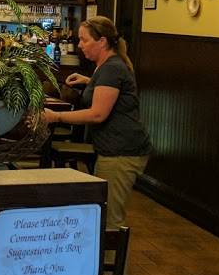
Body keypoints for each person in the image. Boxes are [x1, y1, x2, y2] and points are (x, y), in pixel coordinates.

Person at [42, 15, 151, 228]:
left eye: (84, 40)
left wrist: (56, 116)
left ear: (102, 42)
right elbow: (110, 90)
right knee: (102, 213)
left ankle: (112, 251)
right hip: (117, 148)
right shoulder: (108, 66)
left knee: (109, 220)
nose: (80, 45)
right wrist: (89, 82)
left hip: (121, 151)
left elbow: (97, 114)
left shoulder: (111, 68)